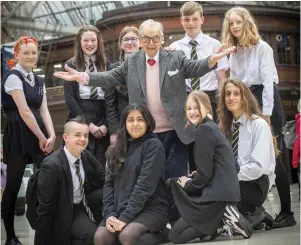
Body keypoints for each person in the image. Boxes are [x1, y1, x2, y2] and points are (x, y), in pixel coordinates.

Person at [54, 19, 235, 180]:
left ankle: (176, 216)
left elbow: (194, 67)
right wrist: (84, 77)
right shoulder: (132, 61)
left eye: (155, 38)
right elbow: (109, 77)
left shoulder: (175, 57)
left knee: (176, 177)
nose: (151, 43)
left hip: (176, 130)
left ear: (162, 39)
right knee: (151, 177)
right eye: (146, 38)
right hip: (146, 132)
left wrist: (211, 60)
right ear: (140, 40)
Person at [222, 6, 296, 228]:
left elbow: (267, 83)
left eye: (238, 22)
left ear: (247, 23)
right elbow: (234, 81)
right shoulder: (233, 51)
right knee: (246, 151)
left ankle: (287, 212)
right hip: (245, 99)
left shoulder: (262, 47)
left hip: (265, 99)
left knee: (275, 157)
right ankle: (256, 207)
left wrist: (266, 115)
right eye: (231, 23)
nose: (235, 26)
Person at [167, 91, 252, 244]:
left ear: (207, 107)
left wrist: (189, 183)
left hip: (216, 196)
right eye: (188, 108)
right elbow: (232, 166)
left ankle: (223, 218)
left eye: (196, 107)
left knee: (175, 236)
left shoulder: (203, 130)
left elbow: (205, 175)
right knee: (183, 232)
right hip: (226, 192)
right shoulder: (211, 127)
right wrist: (197, 174)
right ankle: (221, 221)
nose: (192, 112)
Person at [1, 36, 56, 245]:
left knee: (49, 179)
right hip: (18, 134)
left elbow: (44, 110)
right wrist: (42, 137)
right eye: (26, 53)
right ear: (16, 55)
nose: (31, 56)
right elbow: (24, 111)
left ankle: (48, 233)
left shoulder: (39, 80)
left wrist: (51, 135)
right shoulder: (12, 77)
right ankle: (11, 239)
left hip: (39, 133)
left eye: (34, 52)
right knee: (13, 186)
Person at [93, 104, 169, 245]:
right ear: (124, 124)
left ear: (147, 122)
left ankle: (163, 233)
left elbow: (144, 186)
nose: (135, 124)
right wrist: (109, 214)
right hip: (120, 207)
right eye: (131, 120)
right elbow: (108, 186)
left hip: (151, 208)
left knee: (127, 237)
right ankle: (121, 231)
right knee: (101, 240)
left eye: (140, 119)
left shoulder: (153, 145)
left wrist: (126, 217)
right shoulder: (114, 149)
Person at [170, 1, 229, 172]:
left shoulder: (214, 45)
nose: (191, 24)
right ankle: (197, 191)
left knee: (212, 146)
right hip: (187, 101)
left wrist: (222, 111)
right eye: (186, 19)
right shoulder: (175, 48)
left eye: (194, 19)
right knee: (192, 148)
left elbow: (221, 80)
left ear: (202, 20)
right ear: (181, 21)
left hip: (210, 99)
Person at [34, 116, 105, 245]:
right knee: (94, 238)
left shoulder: (85, 155)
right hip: (61, 211)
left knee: (107, 192)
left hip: (81, 204)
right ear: (66, 138)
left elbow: (104, 179)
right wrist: (40, 242)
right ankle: (57, 241)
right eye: (77, 135)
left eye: (85, 135)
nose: (83, 139)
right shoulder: (52, 166)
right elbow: (45, 205)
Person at [218, 78, 277, 230]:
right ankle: (252, 213)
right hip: (237, 180)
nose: (231, 98)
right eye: (228, 94)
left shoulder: (259, 125)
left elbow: (257, 168)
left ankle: (252, 212)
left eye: (236, 94)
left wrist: (228, 177)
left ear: (245, 97)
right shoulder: (227, 127)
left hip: (257, 184)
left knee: (217, 196)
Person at [64, 25, 109, 167]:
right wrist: (87, 125)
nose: (90, 44)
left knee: (101, 167)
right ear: (79, 42)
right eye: (86, 41)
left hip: (102, 117)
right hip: (80, 116)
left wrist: (105, 125)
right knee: (81, 164)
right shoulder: (71, 64)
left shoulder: (107, 65)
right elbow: (70, 99)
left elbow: (112, 98)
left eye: (93, 40)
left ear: (98, 41)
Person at [105, 26, 140, 145]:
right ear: (120, 44)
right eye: (126, 39)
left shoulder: (148, 66)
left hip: (145, 123)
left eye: (133, 39)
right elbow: (110, 104)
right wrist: (114, 132)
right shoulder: (113, 69)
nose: (129, 42)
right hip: (122, 126)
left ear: (140, 42)